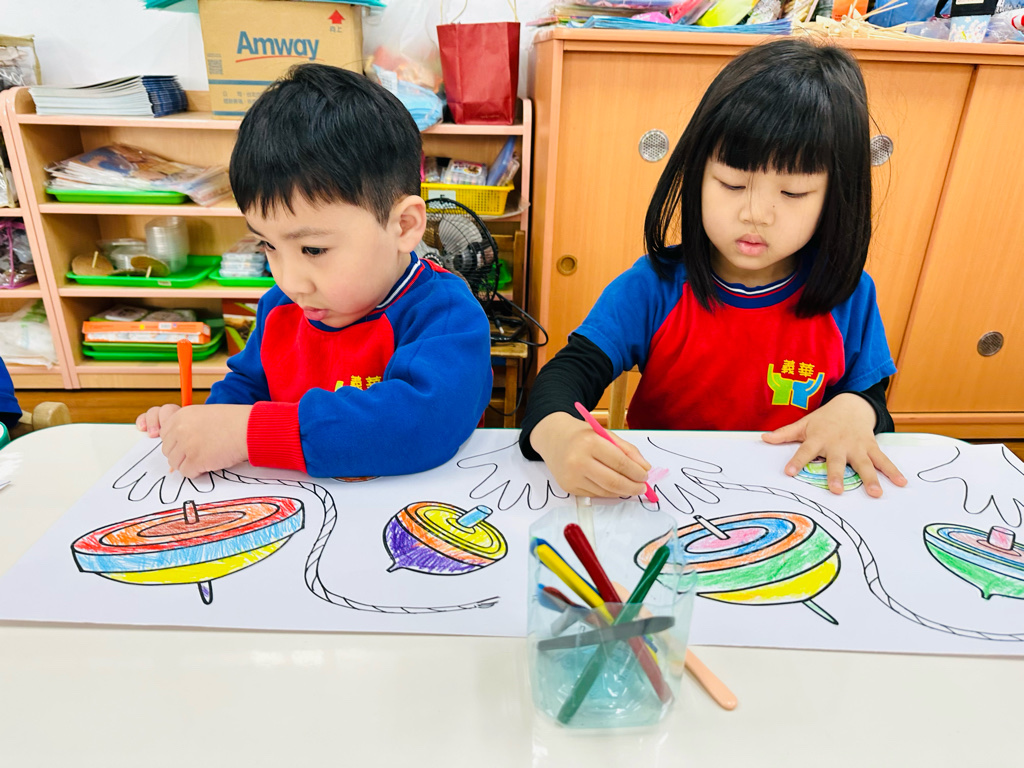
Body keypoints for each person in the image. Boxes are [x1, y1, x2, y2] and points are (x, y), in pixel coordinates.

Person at [520, 38, 908, 500]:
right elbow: (565, 377)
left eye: (792, 193)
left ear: (836, 196)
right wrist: (559, 435)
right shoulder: (654, 287)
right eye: (732, 184)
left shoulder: (849, 295)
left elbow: (872, 399)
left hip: (796, 497)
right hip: (670, 497)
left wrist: (856, 410)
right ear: (697, 175)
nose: (755, 214)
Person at [137, 64, 493, 479]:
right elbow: (247, 389)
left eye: (313, 249)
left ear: (403, 226)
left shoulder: (444, 314)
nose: (289, 282)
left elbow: (421, 424)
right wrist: (200, 425)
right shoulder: (280, 308)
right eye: (269, 245)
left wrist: (248, 433)